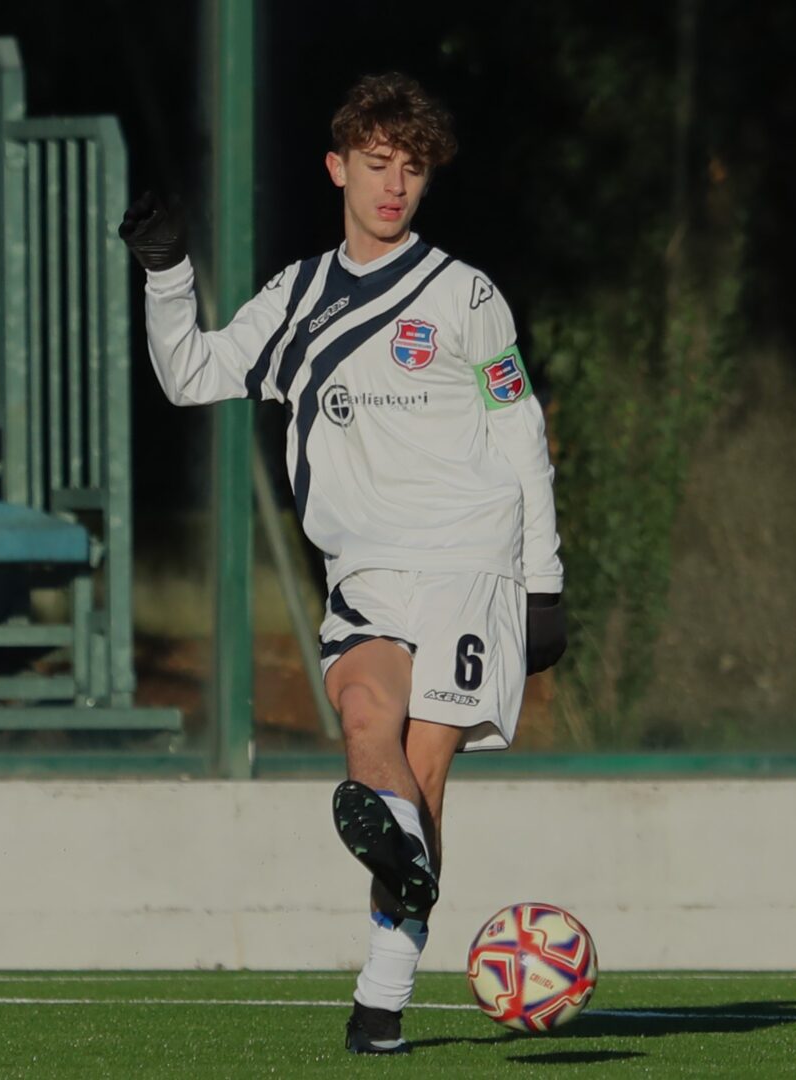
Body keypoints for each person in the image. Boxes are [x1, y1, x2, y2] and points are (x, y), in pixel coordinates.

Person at [120, 71, 566, 1055]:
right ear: (337, 168)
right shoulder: (296, 295)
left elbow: (518, 432)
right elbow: (190, 375)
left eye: (411, 169)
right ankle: (402, 870)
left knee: (420, 775)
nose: (393, 186)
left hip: (468, 562)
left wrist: (544, 583)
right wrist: (165, 272)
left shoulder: (466, 295)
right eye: (376, 164)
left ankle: (380, 1001)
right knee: (363, 717)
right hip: (363, 573)